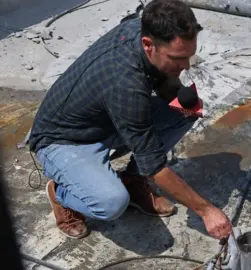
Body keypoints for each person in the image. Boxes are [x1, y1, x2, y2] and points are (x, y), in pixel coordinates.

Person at [28, 0, 233, 240]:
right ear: (148, 45)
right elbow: (154, 163)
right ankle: (61, 194)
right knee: (111, 203)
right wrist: (206, 211)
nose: (185, 65)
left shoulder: (143, 29)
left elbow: (162, 78)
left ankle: (133, 180)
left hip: (106, 119)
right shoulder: (125, 83)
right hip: (63, 140)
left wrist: (181, 96)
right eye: (177, 58)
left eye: (189, 56)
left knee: (186, 110)